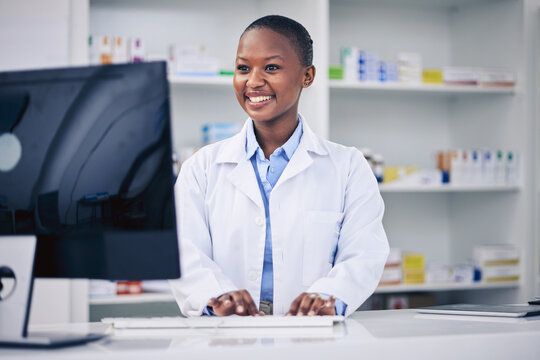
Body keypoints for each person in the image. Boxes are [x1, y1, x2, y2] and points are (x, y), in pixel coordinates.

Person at [170, 15, 389, 317]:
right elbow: (185, 254)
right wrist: (218, 297)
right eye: (243, 68)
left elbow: (364, 254)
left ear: (307, 76)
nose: (253, 81)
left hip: (313, 339)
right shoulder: (201, 168)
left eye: (271, 67)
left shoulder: (348, 167)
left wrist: (328, 297)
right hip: (226, 340)